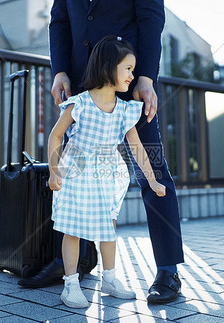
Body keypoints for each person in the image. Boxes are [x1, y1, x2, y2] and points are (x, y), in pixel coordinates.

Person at [19, 0, 185, 304]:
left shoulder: (135, 81)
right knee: (74, 175)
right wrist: (61, 71)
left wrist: (144, 75)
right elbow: (60, 21)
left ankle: (168, 270)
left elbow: (151, 19)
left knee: (153, 170)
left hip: (129, 82)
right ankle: (69, 265)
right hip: (82, 79)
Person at [48, 35, 167, 308]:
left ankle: (110, 278)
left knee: (108, 227)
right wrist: (54, 172)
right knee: (72, 229)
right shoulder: (79, 103)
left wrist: (152, 179)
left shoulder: (125, 110)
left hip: (106, 171)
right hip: (76, 169)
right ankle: (71, 284)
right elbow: (56, 136)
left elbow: (137, 148)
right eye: (128, 69)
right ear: (108, 67)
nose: (132, 75)